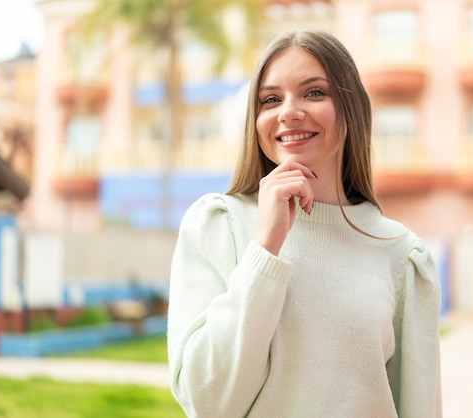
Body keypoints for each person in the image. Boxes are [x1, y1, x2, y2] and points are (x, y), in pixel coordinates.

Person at [167, 29, 443, 417]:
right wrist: (265, 247)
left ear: (351, 109)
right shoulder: (217, 225)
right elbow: (206, 401)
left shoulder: (400, 254)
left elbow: (420, 407)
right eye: (270, 99)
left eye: (314, 92)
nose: (288, 112)